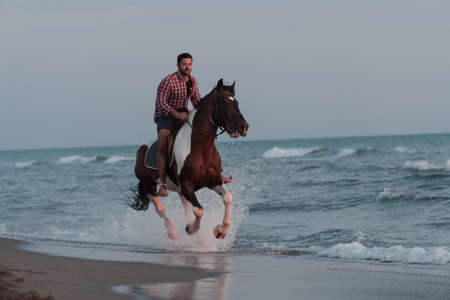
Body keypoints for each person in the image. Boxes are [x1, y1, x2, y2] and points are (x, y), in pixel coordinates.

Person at [154, 53, 201, 197]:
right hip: (165, 116)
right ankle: (162, 183)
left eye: (190, 64)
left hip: (184, 115)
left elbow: (197, 100)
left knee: (201, 136)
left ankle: (212, 173)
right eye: (184, 64)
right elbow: (162, 102)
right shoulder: (168, 81)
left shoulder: (192, 81)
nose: (187, 67)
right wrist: (176, 114)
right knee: (163, 145)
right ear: (178, 65)